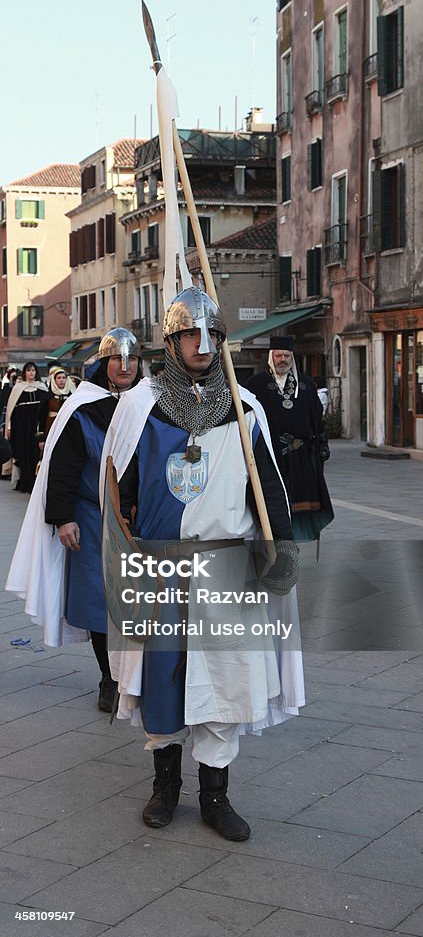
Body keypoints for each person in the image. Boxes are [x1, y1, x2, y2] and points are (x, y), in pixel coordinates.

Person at [101, 287, 304, 841]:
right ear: (171, 340)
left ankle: (215, 796)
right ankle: (165, 787)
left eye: (211, 333)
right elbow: (119, 498)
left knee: (222, 684)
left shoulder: (244, 410)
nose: (203, 343)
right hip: (162, 569)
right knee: (161, 681)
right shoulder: (141, 406)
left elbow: (268, 491)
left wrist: (281, 547)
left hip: (224, 568)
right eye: (191, 333)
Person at [6, 329, 142, 713]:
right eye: (117, 359)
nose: (125, 366)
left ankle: (136, 676)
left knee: (140, 600)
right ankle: (109, 678)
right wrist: (64, 518)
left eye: (130, 359)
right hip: (92, 515)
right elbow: (62, 469)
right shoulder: (82, 408)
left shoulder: (148, 404)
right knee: (100, 600)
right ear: (104, 363)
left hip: (138, 519)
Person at [246, 337, 334, 542]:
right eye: (278, 355)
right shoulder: (255, 385)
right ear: (271, 357)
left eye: (286, 356)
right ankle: (272, 540)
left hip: (300, 456)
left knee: (300, 503)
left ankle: (296, 539)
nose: (282, 360)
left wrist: (322, 445)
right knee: (272, 500)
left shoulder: (305, 385)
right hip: (269, 454)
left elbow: (317, 420)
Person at [5, 362, 47, 492]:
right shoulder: (18, 388)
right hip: (21, 426)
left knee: (35, 453)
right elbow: (11, 410)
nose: (31, 373)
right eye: (28, 370)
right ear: (24, 372)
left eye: (33, 370)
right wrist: (10, 427)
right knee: (22, 452)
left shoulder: (41, 387)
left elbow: (45, 409)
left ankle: (34, 482)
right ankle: (23, 481)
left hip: (36, 425)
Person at [37, 366, 76, 446]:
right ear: (54, 380)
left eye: (63, 378)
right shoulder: (47, 397)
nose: (61, 380)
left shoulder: (72, 397)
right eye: (58, 378)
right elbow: (42, 417)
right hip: (51, 427)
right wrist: (41, 438)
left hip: (67, 428)